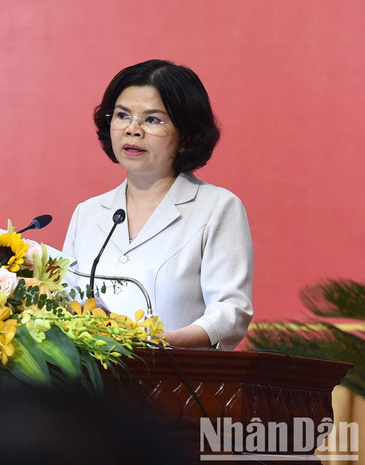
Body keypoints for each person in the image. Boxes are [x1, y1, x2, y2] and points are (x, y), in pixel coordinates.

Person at [63, 59, 253, 350]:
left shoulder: (217, 208)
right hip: (95, 376)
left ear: (185, 135)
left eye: (152, 120)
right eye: (122, 115)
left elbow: (230, 312)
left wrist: (161, 343)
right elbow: (66, 300)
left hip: (175, 371)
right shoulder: (87, 213)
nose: (133, 129)